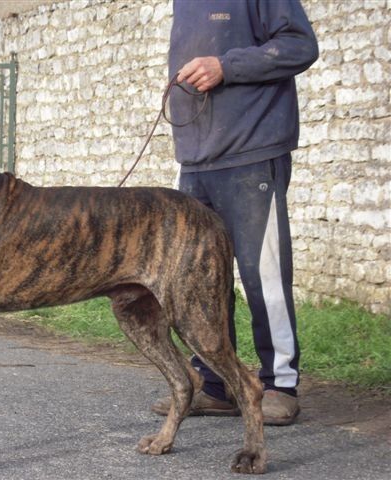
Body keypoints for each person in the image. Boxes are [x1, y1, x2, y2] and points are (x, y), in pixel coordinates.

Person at [152, 0, 319, 425]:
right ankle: (215, 384)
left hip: (251, 151)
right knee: (200, 279)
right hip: (197, 158)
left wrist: (225, 67)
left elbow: (300, 45)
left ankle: (280, 384)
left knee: (264, 274)